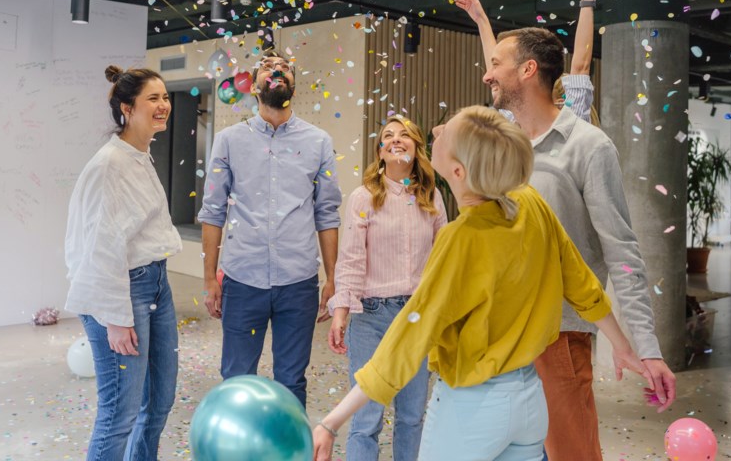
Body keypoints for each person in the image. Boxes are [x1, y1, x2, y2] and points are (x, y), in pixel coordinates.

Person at [312, 106, 654, 461]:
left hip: (473, 409)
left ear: (457, 171)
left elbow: (410, 335)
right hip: (529, 401)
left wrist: (332, 421)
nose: (437, 129)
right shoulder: (531, 203)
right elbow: (583, 286)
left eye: (446, 134)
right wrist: (622, 346)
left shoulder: (461, 238)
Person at [457, 0, 677, 461]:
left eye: (497, 67)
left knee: (571, 452)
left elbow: (622, 251)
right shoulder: (503, 142)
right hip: (497, 330)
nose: (486, 75)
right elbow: (499, 67)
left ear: (531, 70)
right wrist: (483, 22)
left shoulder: (587, 144)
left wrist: (644, 345)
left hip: (558, 333)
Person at [198, 53, 342, 407]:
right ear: (254, 86)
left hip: (298, 282)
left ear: (293, 84)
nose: (276, 70)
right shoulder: (229, 140)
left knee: (292, 381)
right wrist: (208, 279)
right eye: (267, 66)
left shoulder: (319, 141)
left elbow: (327, 213)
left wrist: (333, 279)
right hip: (243, 279)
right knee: (237, 378)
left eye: (285, 67)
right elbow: (213, 211)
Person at [64, 65, 182, 461]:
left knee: (159, 401)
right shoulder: (109, 164)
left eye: (165, 97)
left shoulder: (139, 154)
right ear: (127, 108)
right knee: (120, 413)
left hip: (155, 283)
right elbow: (99, 245)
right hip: (122, 291)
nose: (164, 105)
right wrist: (114, 317)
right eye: (153, 98)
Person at [326, 115, 447, 461]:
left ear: (416, 148)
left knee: (411, 417)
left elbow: (444, 260)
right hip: (371, 317)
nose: (396, 140)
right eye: (388, 136)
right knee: (366, 419)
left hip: (416, 318)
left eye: (404, 135)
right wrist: (340, 314)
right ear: (380, 152)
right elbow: (350, 260)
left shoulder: (431, 197)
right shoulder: (364, 198)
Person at [455, 0, 597, 125]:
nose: (488, 77)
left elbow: (580, 66)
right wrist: (481, 20)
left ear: (528, 70)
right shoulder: (513, 118)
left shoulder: (569, 119)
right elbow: (498, 64)